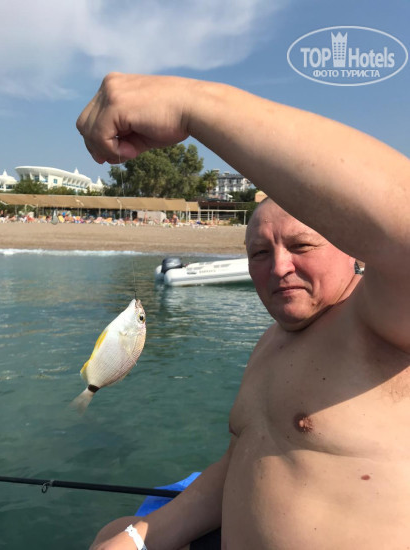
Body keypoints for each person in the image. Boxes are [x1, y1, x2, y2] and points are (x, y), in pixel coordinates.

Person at [77, 73, 410, 549]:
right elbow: (247, 459)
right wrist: (140, 537)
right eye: (258, 253)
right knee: (108, 534)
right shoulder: (271, 343)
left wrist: (191, 105)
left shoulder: (383, 324)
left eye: (302, 245)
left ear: (353, 246)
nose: (279, 267)